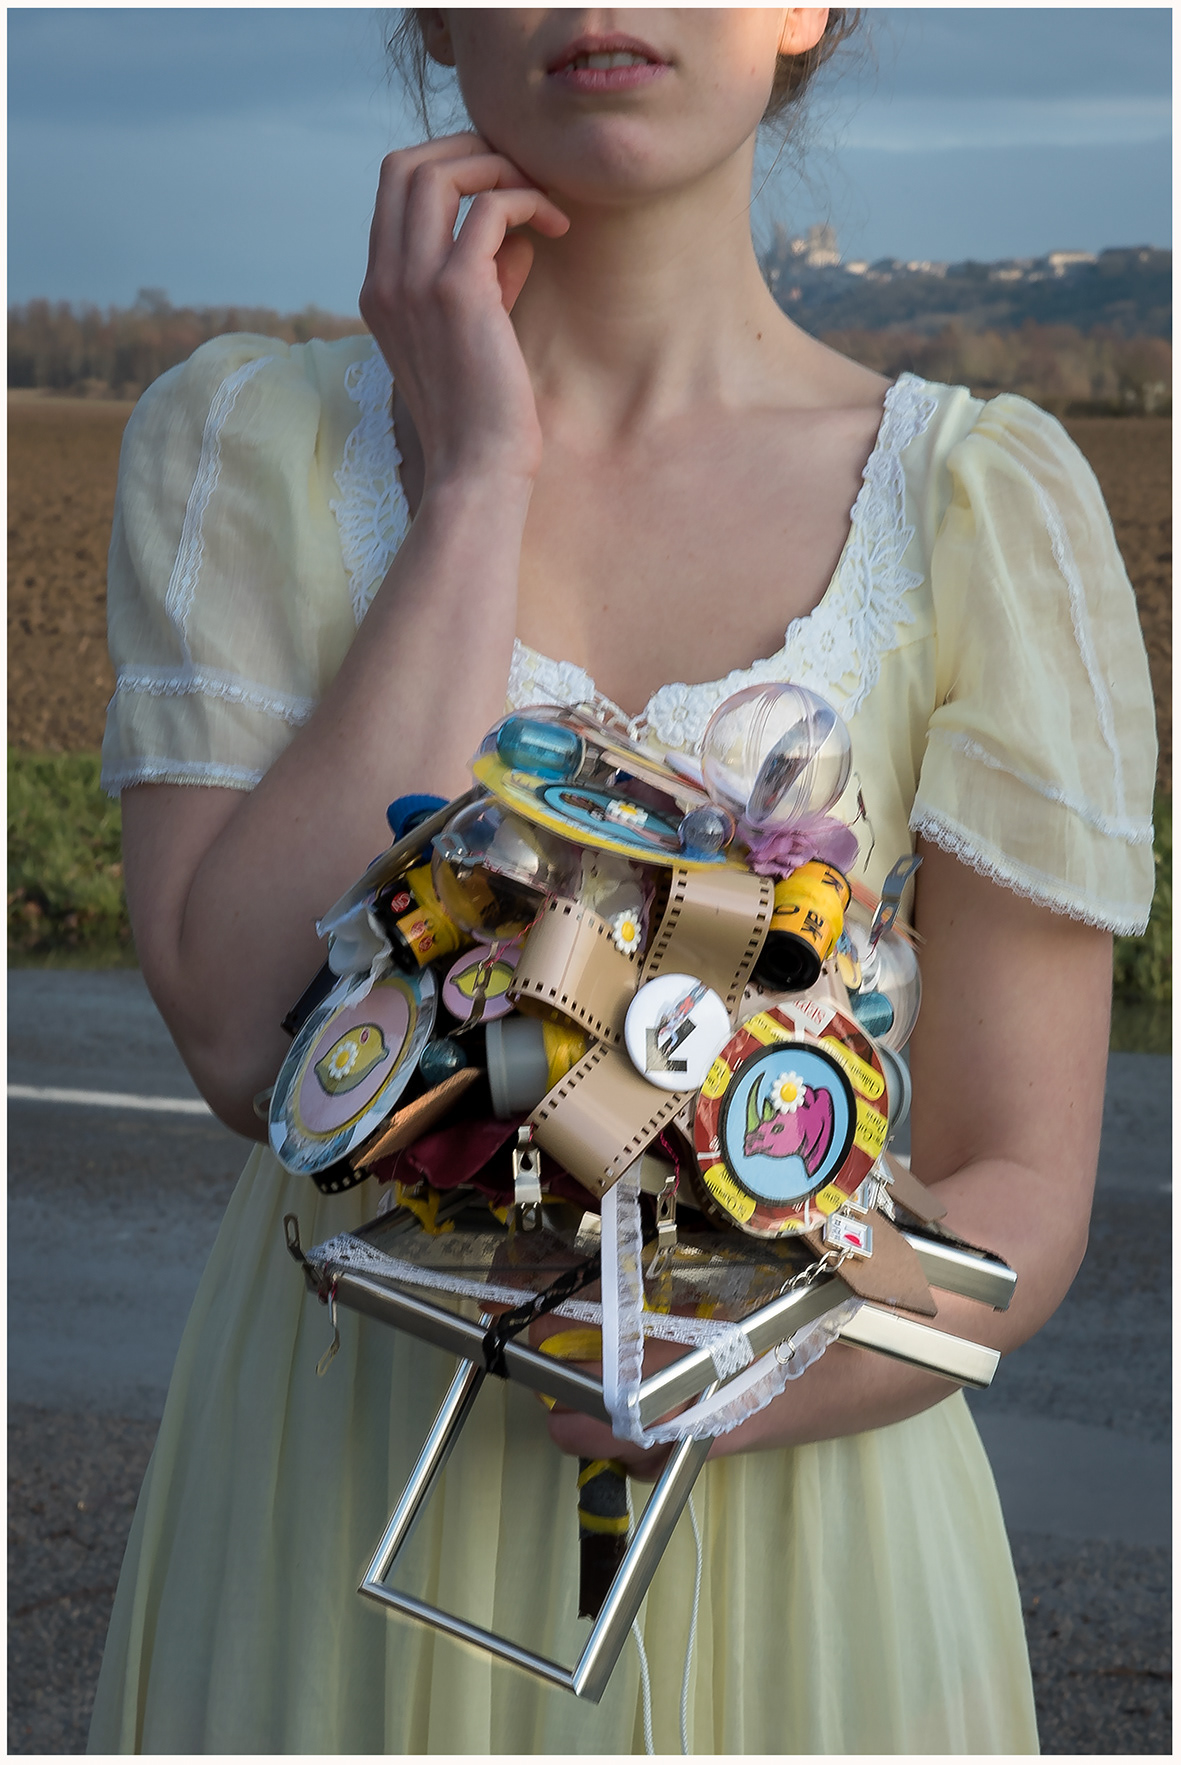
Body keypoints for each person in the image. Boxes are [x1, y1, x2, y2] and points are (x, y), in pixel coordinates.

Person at [88, 9, 1156, 1753]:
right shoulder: (245, 445)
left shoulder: (973, 502)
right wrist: (473, 486)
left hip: (806, 1552)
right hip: (334, 1507)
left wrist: (745, 1376)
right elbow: (238, 1035)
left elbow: (1019, 1189)